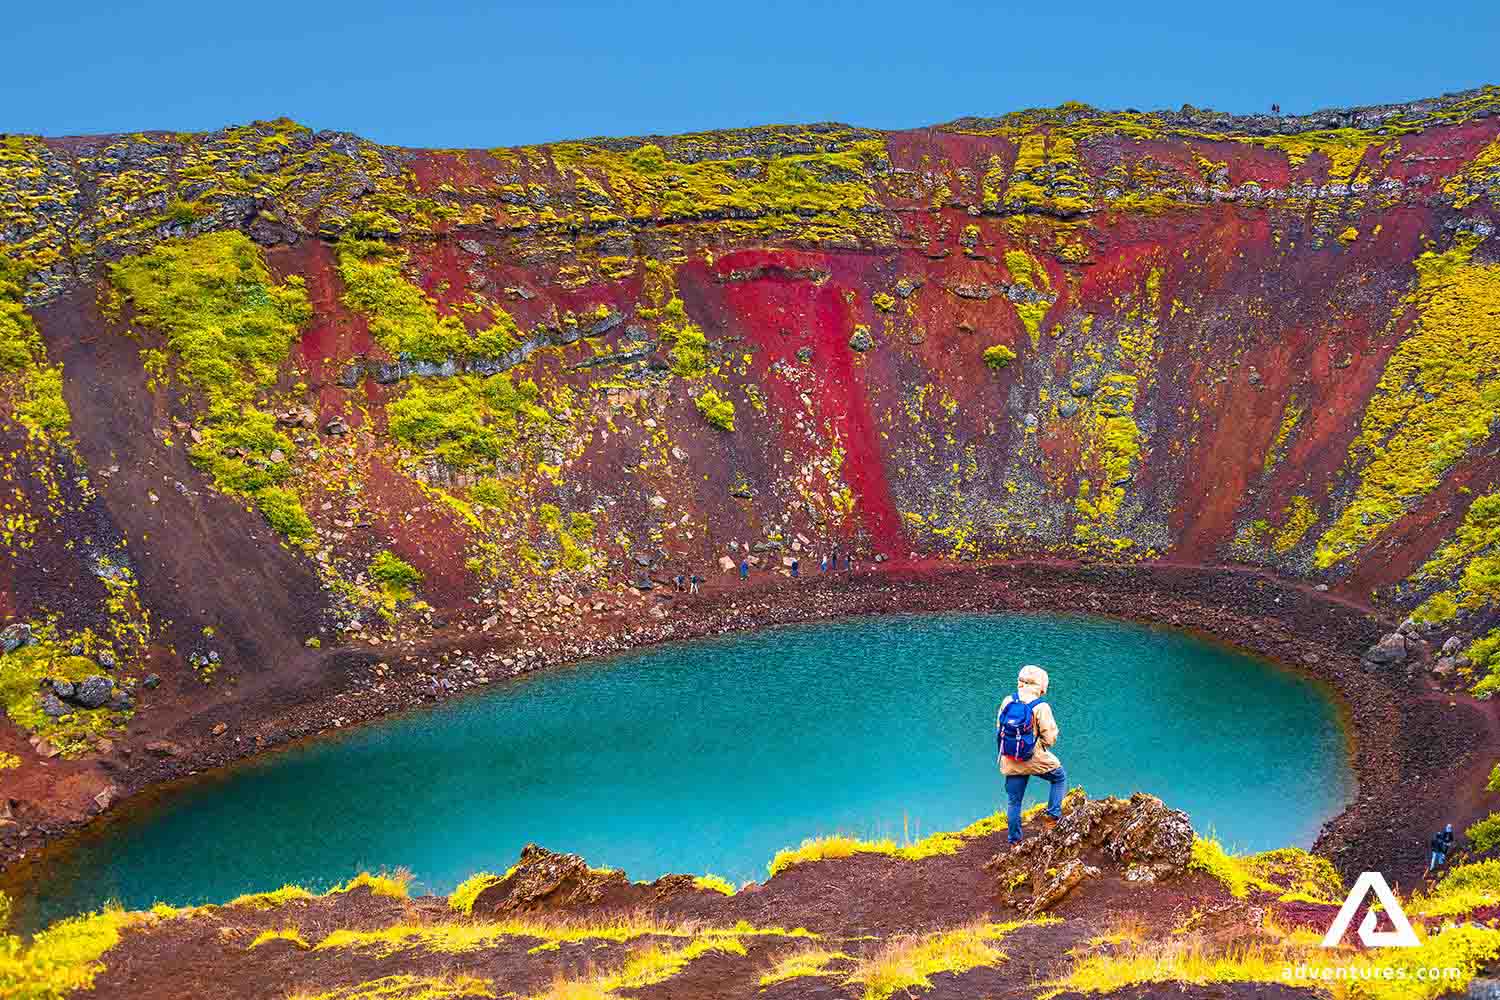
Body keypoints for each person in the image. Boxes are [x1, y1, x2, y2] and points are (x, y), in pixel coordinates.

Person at [996, 664, 1066, 845]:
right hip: (1034, 757)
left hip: (1011, 758)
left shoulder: (1007, 701)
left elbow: (999, 728)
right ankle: (1052, 816)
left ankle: (1014, 842)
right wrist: (1039, 745)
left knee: (1014, 801)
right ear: (1041, 685)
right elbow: (1049, 737)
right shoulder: (1041, 706)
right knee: (1059, 777)